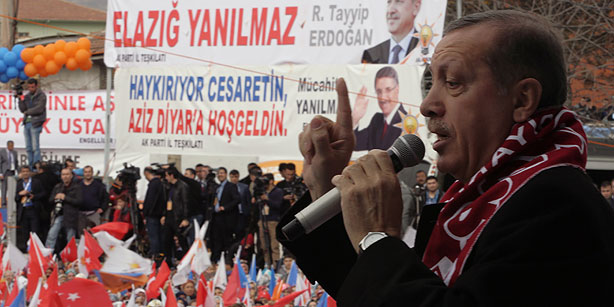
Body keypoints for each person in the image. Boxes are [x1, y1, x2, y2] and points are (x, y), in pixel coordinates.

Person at [278, 10, 614, 305]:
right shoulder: (477, 200)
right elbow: (373, 288)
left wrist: (377, 236)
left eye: (452, 82)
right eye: (430, 83)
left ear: (522, 99)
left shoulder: (556, 205)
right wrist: (326, 185)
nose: (426, 106)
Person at [352, 66, 407, 151]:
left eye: (388, 90)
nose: (382, 97)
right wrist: (355, 119)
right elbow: (355, 145)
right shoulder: (377, 120)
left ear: (397, 89)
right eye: (379, 91)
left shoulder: (406, 122)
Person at [46, 168, 82, 250]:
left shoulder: (77, 187)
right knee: (51, 235)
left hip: (71, 217)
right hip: (59, 214)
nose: (65, 176)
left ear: (71, 176)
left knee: (70, 238)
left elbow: (79, 201)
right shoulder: (58, 187)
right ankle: (47, 256)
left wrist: (65, 198)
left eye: (67, 174)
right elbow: (50, 200)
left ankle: (71, 258)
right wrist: (55, 198)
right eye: (63, 174)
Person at [210, 167, 240, 263]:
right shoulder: (217, 187)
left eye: (222, 173)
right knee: (216, 238)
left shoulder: (231, 186)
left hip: (227, 217)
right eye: (218, 173)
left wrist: (225, 207)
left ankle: (227, 260)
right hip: (217, 216)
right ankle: (216, 259)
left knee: (227, 239)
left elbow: (237, 200)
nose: (220, 175)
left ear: (226, 174)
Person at [161, 168, 190, 265]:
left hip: (178, 217)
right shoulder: (169, 186)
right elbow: (167, 201)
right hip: (170, 215)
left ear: (171, 175)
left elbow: (185, 202)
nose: (166, 178)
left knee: (181, 239)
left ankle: (186, 261)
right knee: (166, 239)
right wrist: (164, 214)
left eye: (167, 175)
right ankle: (168, 261)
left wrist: (185, 218)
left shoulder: (182, 186)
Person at [14, 165, 45, 251]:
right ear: (21, 173)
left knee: (35, 231)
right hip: (23, 210)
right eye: (23, 171)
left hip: (33, 209)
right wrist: (20, 194)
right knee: (24, 232)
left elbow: (43, 193)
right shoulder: (19, 183)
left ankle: (34, 249)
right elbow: (16, 198)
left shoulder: (36, 182)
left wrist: (34, 196)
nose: (25, 173)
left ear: (30, 172)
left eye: (27, 171)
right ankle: (25, 249)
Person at [18, 79, 47, 167]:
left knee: (35, 147)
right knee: (28, 148)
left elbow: (39, 109)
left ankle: (36, 166)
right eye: (29, 87)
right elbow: (23, 109)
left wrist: (28, 112)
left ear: (36, 86)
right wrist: (20, 99)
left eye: (32, 87)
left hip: (36, 122)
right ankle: (31, 166)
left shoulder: (41, 95)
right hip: (26, 123)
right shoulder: (27, 96)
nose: (30, 89)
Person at [257, 173, 283, 268]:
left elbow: (278, 205)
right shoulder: (262, 191)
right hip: (262, 220)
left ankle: (276, 266)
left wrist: (267, 199)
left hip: (273, 220)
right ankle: (267, 265)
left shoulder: (278, 191)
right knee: (264, 246)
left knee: (274, 245)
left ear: (271, 181)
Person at [143, 167, 166, 257]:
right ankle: (159, 253)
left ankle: (155, 254)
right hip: (159, 214)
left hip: (152, 214)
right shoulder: (161, 184)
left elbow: (150, 200)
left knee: (154, 236)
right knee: (158, 235)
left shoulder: (153, 184)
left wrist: (146, 212)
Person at [0, 140, 19, 207]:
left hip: (12, 171)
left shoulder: (15, 152)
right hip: (5, 172)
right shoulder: (2, 152)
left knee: (12, 188)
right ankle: (3, 203)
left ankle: (12, 203)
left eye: (13, 146)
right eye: (11, 146)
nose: (12, 147)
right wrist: (1, 173)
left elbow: (16, 162)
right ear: (8, 146)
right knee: (4, 188)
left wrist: (17, 171)